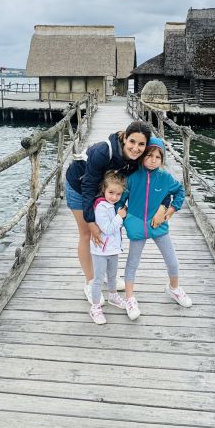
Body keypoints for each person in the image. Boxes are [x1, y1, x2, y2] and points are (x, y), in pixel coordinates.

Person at [65, 119, 153, 304]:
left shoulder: (136, 160)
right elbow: (88, 186)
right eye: (132, 142)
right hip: (79, 186)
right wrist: (91, 220)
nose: (136, 148)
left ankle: (103, 274)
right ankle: (90, 282)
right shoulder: (104, 152)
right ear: (125, 138)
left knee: (105, 231)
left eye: (141, 144)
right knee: (87, 233)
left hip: (104, 191)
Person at [121, 136, 192, 312]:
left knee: (172, 261)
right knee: (132, 263)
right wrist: (125, 218)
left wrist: (172, 209)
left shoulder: (165, 177)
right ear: (142, 156)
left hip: (159, 226)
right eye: (149, 156)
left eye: (158, 157)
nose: (153, 161)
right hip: (137, 228)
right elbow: (120, 200)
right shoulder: (132, 177)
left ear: (162, 159)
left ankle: (174, 289)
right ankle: (129, 298)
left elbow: (180, 191)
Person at [88, 171, 133, 325]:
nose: (114, 197)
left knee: (113, 275)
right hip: (101, 250)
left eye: (118, 194)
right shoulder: (101, 207)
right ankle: (95, 307)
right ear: (104, 190)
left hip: (112, 249)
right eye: (111, 192)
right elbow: (107, 229)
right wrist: (120, 216)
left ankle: (113, 296)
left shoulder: (112, 205)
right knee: (98, 279)